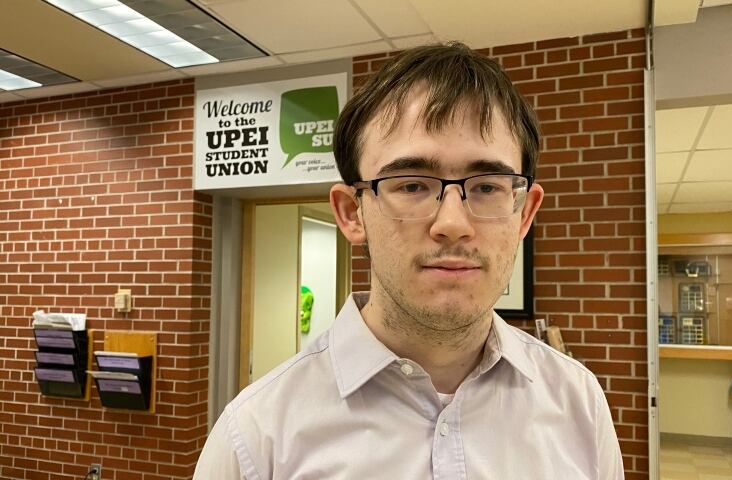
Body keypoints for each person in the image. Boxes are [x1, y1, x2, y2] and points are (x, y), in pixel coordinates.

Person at [194, 42, 624, 479]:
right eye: (412, 185)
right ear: (351, 213)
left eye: (488, 186)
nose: (453, 223)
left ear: (524, 213)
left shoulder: (579, 404)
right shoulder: (254, 437)